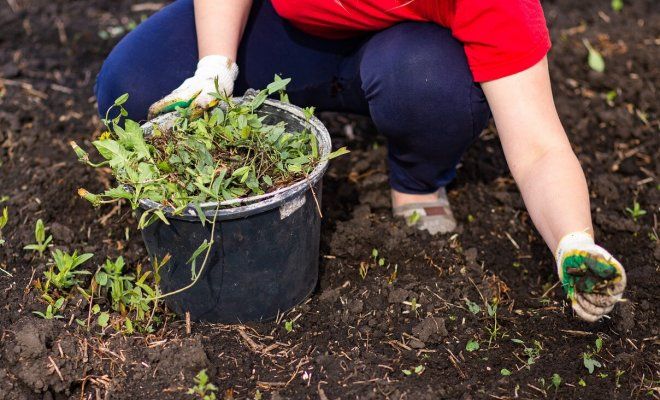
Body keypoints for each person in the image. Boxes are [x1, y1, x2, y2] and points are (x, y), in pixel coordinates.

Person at [95, 0, 626, 322]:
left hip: (412, 57)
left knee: (427, 85)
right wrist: (215, 67)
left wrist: (572, 240)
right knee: (134, 87)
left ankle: (417, 182)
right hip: (291, 30)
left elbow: (539, 147)